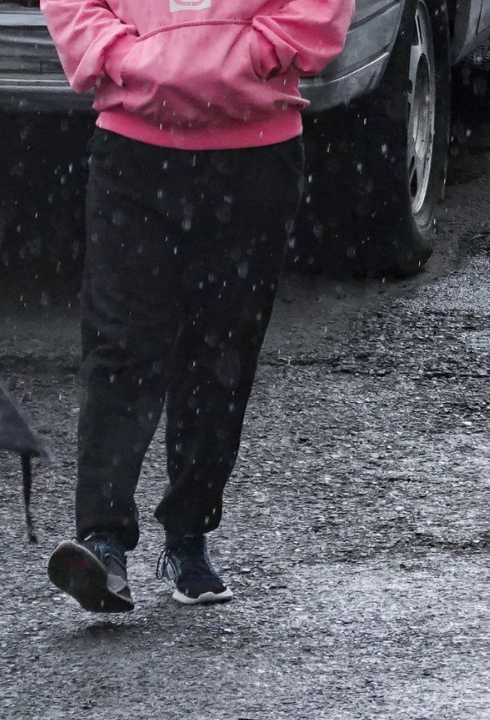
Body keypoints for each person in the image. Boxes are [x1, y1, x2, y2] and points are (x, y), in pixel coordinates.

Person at [39, 0, 353, 611]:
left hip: (254, 153)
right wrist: (122, 57)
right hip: (134, 148)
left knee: (221, 350)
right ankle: (103, 540)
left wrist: (256, 55)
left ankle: (188, 536)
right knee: (121, 343)